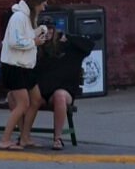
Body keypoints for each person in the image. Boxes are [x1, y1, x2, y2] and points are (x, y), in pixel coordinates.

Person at [20, 22, 95, 150]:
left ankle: (57, 138)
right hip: (41, 92)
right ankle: (24, 136)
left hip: (63, 91)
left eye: (50, 29)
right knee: (20, 97)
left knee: (60, 96)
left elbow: (89, 45)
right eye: (43, 29)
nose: (47, 32)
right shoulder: (36, 49)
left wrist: (68, 37)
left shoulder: (67, 46)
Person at [0, 0, 49, 150]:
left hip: (26, 67)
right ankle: (5, 139)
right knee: (23, 104)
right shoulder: (18, 17)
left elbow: (24, 36)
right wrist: (35, 42)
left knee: (36, 99)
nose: (44, 8)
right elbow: (15, 41)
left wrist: (39, 30)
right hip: (14, 67)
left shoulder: (27, 18)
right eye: (43, 5)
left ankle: (25, 137)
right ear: (36, 4)